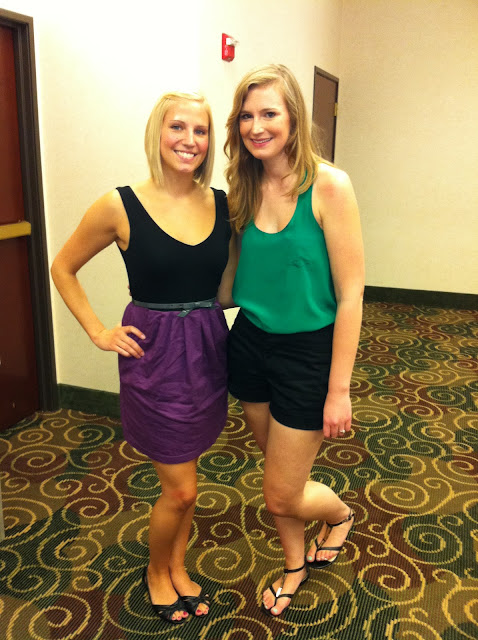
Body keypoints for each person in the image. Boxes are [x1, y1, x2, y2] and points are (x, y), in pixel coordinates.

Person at [51, 92, 236, 625]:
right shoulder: (120, 204)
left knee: (189, 479)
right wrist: (97, 331)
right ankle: (157, 572)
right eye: (178, 127)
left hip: (206, 350)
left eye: (200, 130)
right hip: (154, 356)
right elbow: (63, 267)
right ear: (158, 132)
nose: (189, 140)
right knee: (181, 488)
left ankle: (177, 565)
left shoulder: (222, 203)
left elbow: (226, 288)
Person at [224, 64, 365, 618]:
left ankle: (340, 516)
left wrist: (339, 390)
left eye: (269, 114)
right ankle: (294, 564)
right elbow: (232, 280)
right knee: (278, 477)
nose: (256, 126)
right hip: (250, 344)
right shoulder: (243, 186)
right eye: (246, 116)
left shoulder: (329, 185)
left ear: (294, 118)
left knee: (282, 492)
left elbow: (351, 295)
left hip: (309, 353)